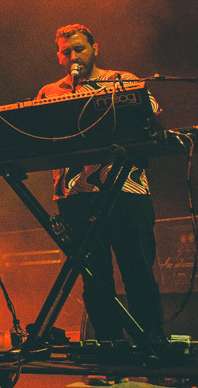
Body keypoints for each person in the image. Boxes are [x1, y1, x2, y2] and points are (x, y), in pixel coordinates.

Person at [35, 24, 164, 345]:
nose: (74, 56)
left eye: (79, 48)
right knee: (94, 278)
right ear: (59, 57)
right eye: (66, 51)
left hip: (126, 191)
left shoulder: (122, 79)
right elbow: (35, 137)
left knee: (138, 271)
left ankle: (151, 342)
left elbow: (150, 112)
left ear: (95, 49)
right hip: (76, 196)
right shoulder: (49, 93)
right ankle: (110, 345)